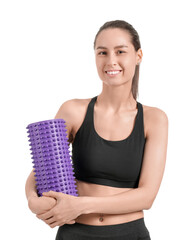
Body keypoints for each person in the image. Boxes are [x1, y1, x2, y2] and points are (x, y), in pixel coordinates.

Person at [25, 20, 168, 240]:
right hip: (75, 233)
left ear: (138, 56)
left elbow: (146, 197)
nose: (111, 61)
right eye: (102, 53)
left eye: (120, 51)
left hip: (129, 233)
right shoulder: (73, 111)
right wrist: (32, 201)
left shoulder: (154, 119)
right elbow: (41, 172)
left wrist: (80, 206)